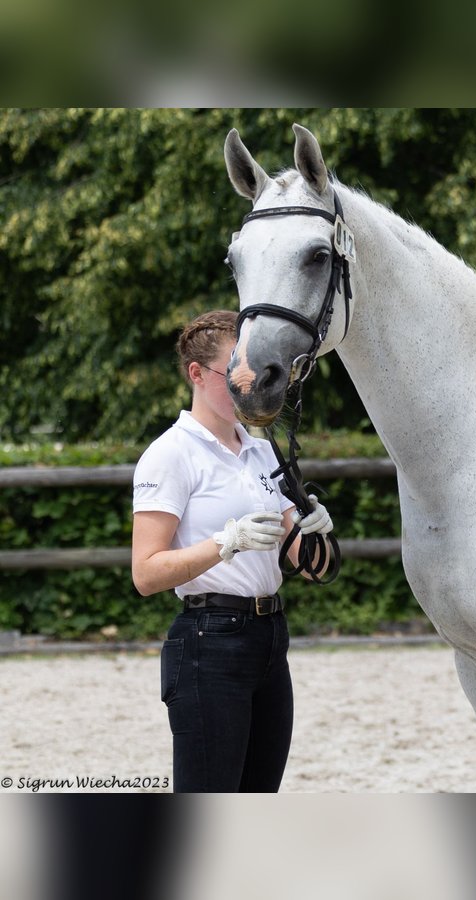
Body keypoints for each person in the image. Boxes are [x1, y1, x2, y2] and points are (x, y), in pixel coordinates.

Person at [131, 309, 335, 792]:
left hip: (269, 638)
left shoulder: (263, 451)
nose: (249, 386)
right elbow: (145, 573)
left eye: (256, 369)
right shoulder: (171, 455)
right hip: (208, 641)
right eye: (233, 374)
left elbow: (311, 566)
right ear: (196, 374)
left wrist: (316, 530)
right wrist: (226, 543)